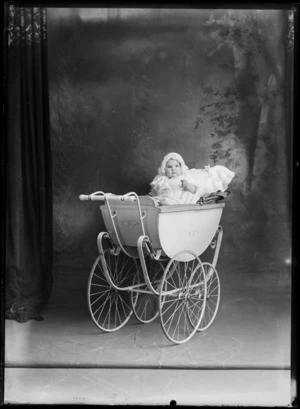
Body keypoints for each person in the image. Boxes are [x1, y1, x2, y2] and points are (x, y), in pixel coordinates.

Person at [149, 152, 235, 205]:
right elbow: (155, 191)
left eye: (176, 166)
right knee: (154, 201)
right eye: (169, 167)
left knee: (167, 202)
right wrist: (151, 195)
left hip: (180, 201)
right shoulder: (161, 179)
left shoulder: (185, 177)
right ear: (164, 169)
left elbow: (196, 190)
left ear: (181, 167)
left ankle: (165, 203)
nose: (173, 169)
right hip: (164, 197)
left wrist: (188, 186)